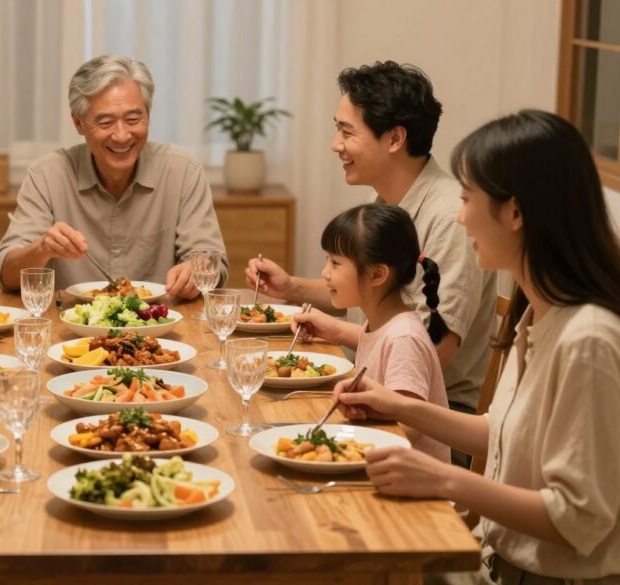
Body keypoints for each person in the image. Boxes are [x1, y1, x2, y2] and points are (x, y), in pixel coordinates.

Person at [334, 110, 620, 583]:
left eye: (468, 199)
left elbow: (579, 517)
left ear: (515, 212)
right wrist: (394, 405)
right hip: (498, 560)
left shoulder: (587, 338)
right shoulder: (538, 309)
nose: (460, 215)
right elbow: (502, 432)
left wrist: (442, 478)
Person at [247, 61, 495, 430]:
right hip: (369, 383)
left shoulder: (450, 219)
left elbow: (428, 355)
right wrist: (291, 288)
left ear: (395, 139)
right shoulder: (388, 203)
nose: (336, 145)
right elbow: (367, 289)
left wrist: (336, 331)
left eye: (347, 132)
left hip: (432, 419)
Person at [0, 54, 228, 297]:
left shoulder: (183, 170)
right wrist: (42, 248)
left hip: (161, 326)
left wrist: (196, 270)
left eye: (133, 119)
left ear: (148, 115)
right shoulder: (47, 175)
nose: (122, 135)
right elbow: (6, 275)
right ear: (78, 124)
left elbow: (213, 264)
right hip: (71, 328)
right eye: (105, 123)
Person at [289, 203, 451, 462]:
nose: (324, 273)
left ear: (377, 274)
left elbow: (408, 427)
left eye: (335, 263)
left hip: (411, 486)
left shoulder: (403, 338)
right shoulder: (379, 323)